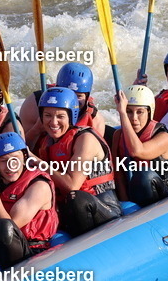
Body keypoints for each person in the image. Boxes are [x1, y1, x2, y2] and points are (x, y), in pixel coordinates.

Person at [27, 87, 121, 236]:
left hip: (102, 208)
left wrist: (38, 162)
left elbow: (72, 186)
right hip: (69, 211)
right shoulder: (47, 142)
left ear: (71, 116)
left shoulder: (85, 139)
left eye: (60, 116)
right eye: (47, 115)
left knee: (76, 198)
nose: (53, 122)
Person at [0, 132, 58, 267]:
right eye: (4, 161)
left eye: (15, 159)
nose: (11, 165)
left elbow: (8, 229)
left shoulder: (39, 186)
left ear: (24, 158)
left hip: (29, 251)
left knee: (5, 227)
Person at [112, 85, 168, 207]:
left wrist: (123, 113)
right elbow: (118, 173)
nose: (134, 118)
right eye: (129, 111)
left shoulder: (163, 137)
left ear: (149, 112)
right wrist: (126, 205)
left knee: (144, 175)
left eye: (140, 112)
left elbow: (137, 151)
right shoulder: (118, 135)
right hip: (134, 192)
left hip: (161, 193)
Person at [18, 62, 108, 142]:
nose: (71, 101)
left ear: (87, 96)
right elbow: (21, 147)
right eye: (66, 94)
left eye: (78, 96)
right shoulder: (34, 104)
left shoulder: (95, 120)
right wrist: (36, 130)